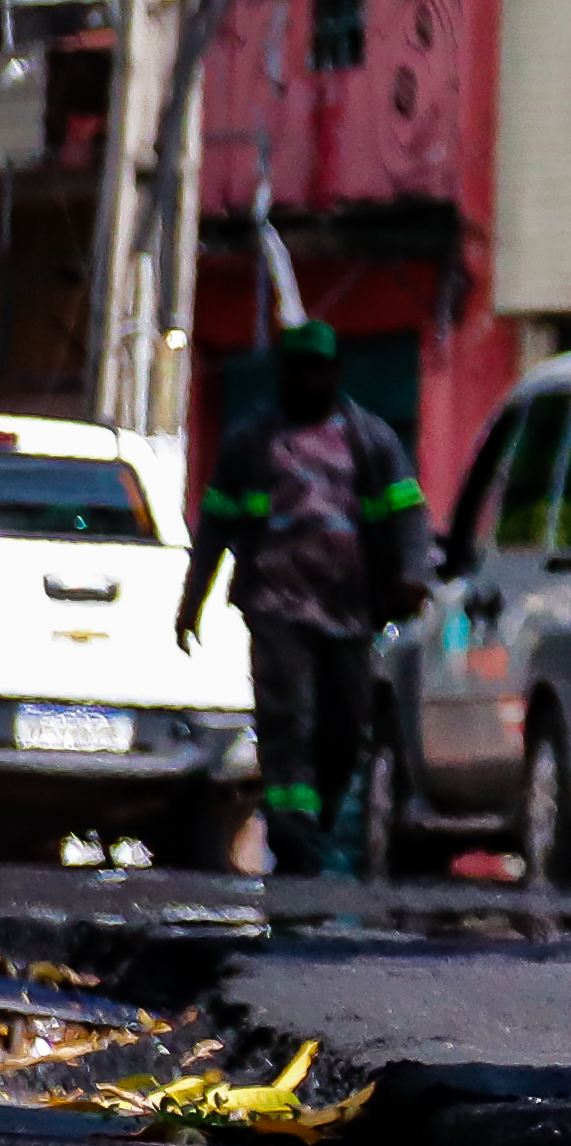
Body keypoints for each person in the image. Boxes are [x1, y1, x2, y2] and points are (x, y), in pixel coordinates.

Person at [173, 321, 429, 876]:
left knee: (343, 734)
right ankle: (296, 843)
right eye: (297, 367)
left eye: (318, 367)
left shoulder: (371, 441)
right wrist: (191, 603)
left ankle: (313, 818)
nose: (307, 378)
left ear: (335, 373)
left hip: (350, 611)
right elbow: (216, 525)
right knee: (288, 723)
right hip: (276, 608)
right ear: (283, 373)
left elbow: (409, 513)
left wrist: (412, 574)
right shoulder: (251, 443)